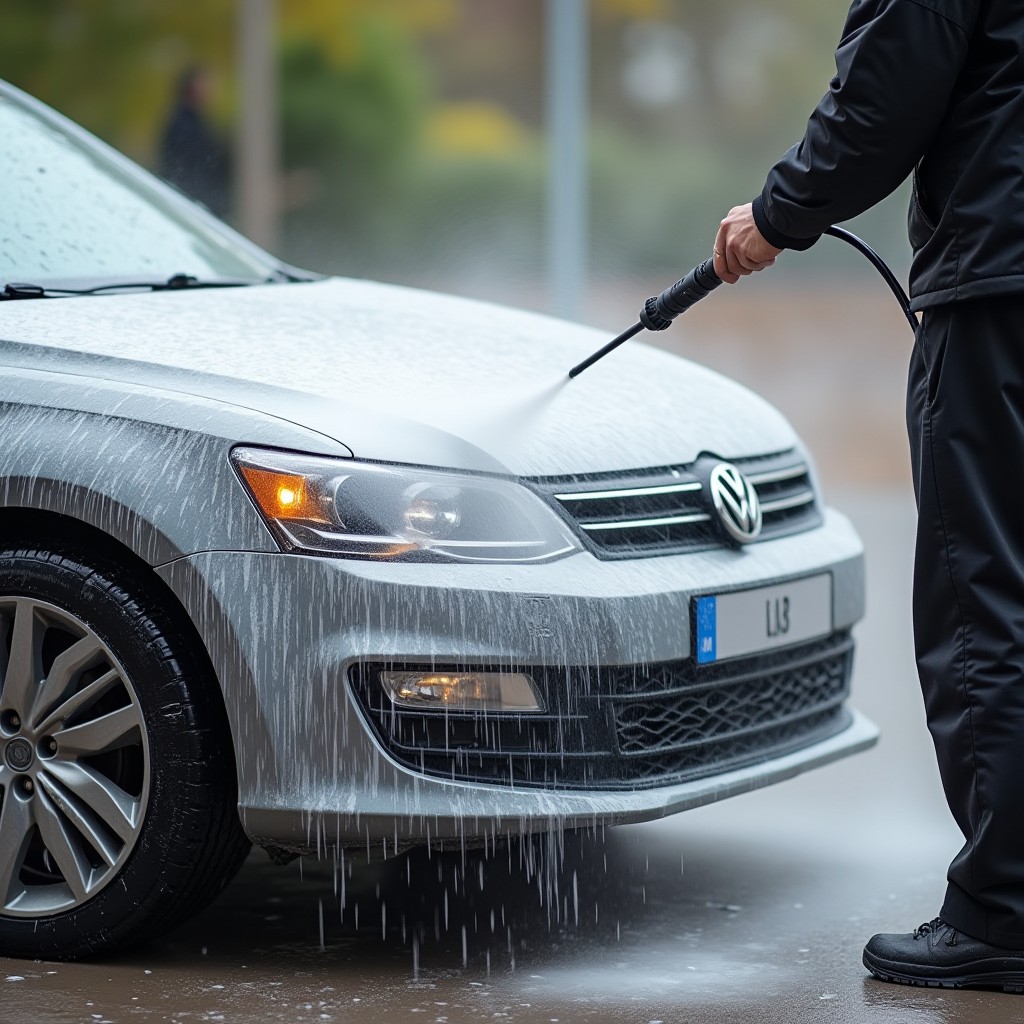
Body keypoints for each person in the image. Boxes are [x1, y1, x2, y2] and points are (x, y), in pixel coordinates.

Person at [713, 0, 1024, 993]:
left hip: (999, 297)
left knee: (984, 599)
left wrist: (775, 215)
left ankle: (1003, 912)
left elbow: (882, 98)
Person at [159, 65, 231, 219]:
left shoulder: (198, 122)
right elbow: (187, 169)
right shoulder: (182, 125)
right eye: (204, 84)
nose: (210, 89)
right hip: (191, 206)